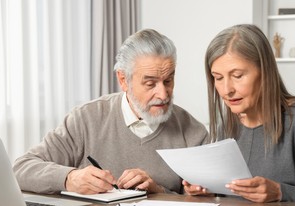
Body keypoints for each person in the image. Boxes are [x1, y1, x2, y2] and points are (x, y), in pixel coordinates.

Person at [183, 24, 295, 206]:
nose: (226, 90)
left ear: (265, 72)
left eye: (237, 75)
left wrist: (281, 192)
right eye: (218, 78)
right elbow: (234, 199)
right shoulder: (228, 125)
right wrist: (206, 191)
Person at [13, 29, 209, 195]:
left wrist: (158, 191)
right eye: (150, 83)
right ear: (123, 80)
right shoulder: (86, 118)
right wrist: (69, 178)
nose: (163, 93)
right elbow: (21, 169)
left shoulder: (192, 132)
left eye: (168, 80)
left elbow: (206, 204)